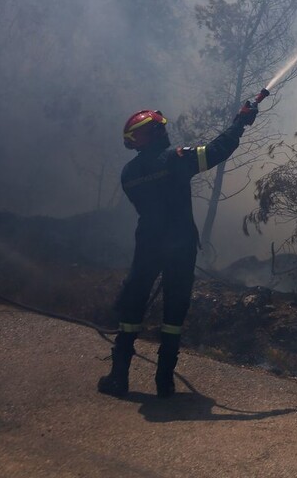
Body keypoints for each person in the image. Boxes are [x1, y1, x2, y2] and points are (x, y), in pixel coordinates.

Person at [97, 99, 259, 398]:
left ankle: (118, 378)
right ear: (143, 138)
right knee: (174, 312)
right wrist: (240, 122)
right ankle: (165, 382)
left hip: (148, 244)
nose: (162, 131)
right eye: (155, 129)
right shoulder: (176, 159)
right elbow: (217, 151)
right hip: (180, 245)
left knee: (132, 307)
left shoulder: (129, 174)